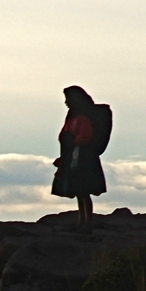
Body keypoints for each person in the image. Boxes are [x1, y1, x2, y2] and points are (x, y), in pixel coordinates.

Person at [50, 85, 109, 231]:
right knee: (80, 191)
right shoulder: (76, 115)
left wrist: (70, 141)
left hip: (82, 158)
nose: (66, 102)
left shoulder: (81, 117)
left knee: (83, 190)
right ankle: (82, 221)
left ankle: (86, 222)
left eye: (68, 99)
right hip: (78, 157)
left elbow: (83, 137)